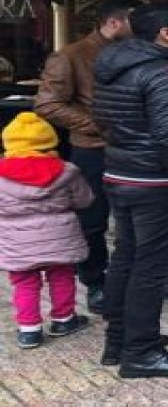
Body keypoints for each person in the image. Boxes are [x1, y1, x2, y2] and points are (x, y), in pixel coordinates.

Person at [34, 0, 168, 315]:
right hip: (92, 148)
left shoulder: (140, 55)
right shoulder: (70, 55)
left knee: (140, 224)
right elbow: (47, 104)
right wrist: (99, 125)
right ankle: (95, 282)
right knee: (94, 220)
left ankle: (150, 279)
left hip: (135, 149)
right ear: (116, 22)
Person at [92, 3, 168, 377]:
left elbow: (105, 119)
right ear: (166, 33)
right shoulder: (167, 73)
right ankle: (141, 353)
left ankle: (119, 341)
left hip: (121, 175)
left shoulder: (112, 63)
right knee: (150, 269)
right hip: (157, 183)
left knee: (126, 259)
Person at [0, 112, 93, 349]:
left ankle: (29, 330)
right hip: (60, 235)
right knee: (61, 276)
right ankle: (64, 320)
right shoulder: (66, 170)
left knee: (24, 282)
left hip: (17, 240)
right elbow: (84, 200)